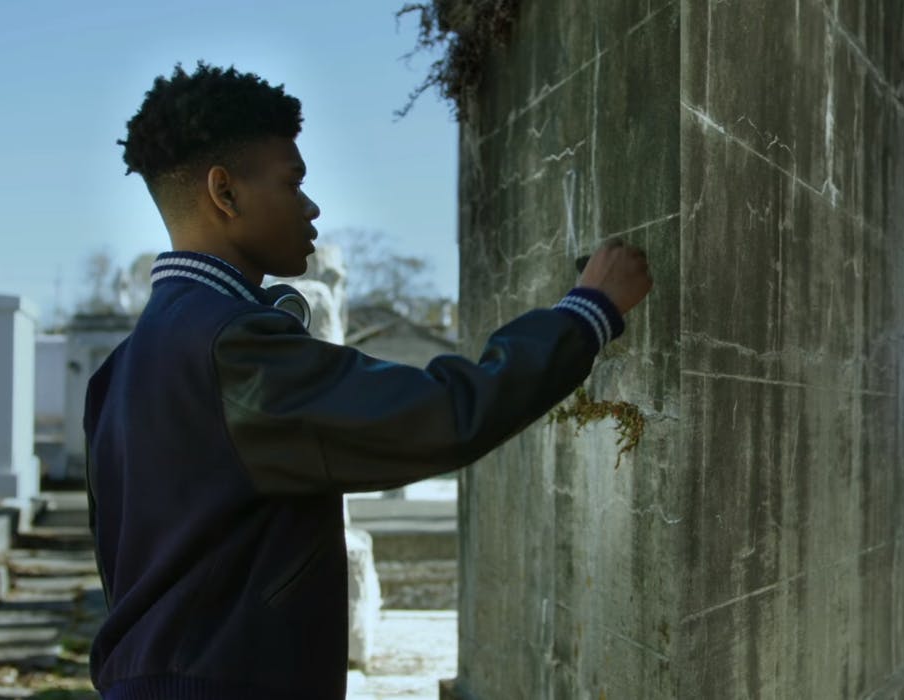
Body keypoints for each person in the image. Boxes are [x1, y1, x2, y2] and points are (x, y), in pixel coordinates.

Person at [84, 62, 653, 699]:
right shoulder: (233, 349)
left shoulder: (119, 370)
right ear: (225, 193)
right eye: (293, 182)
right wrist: (586, 314)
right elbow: (437, 415)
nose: (311, 206)